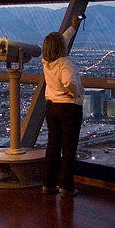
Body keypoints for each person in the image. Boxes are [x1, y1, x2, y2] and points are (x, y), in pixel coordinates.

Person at [41, 15, 84, 197]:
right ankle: (66, 187)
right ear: (60, 47)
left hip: (51, 107)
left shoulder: (47, 62)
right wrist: (76, 93)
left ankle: (48, 184)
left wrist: (72, 28)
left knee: (53, 146)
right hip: (68, 108)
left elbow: (61, 40)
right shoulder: (65, 63)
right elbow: (70, 81)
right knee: (68, 148)